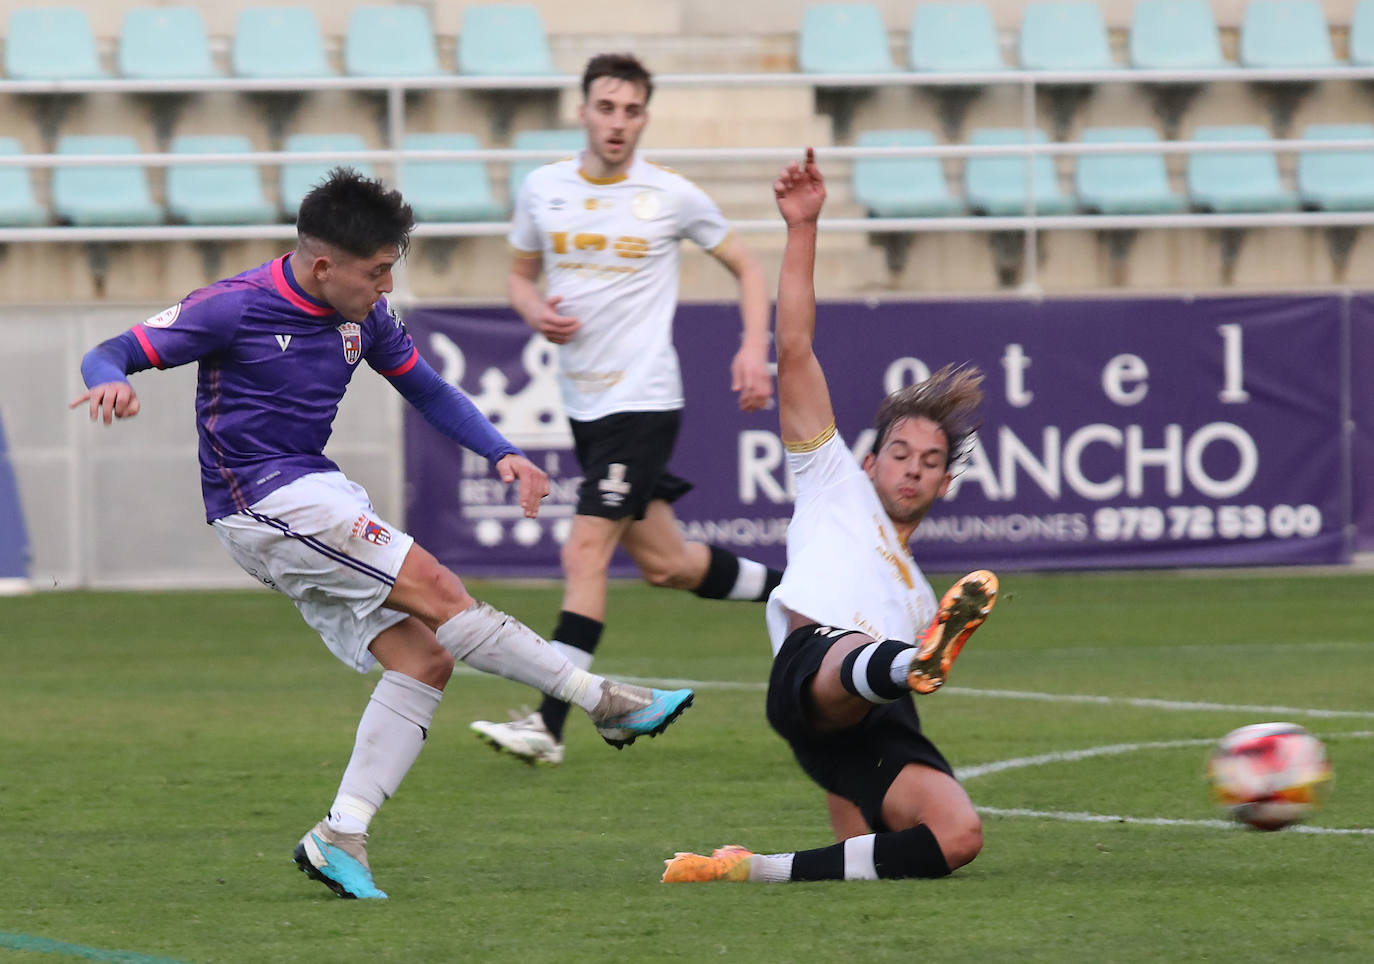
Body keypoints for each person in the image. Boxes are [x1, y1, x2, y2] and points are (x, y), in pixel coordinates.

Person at [70, 168, 693, 901]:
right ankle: (604, 703)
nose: (385, 287)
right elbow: (111, 350)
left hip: (311, 493)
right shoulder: (233, 306)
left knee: (425, 659)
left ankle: (341, 833)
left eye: (390, 271)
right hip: (266, 502)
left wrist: (504, 453)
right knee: (440, 589)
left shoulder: (363, 314)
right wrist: (114, 378)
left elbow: (425, 386)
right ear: (323, 265)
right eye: (376, 272)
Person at [661, 150, 998, 884]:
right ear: (870, 462)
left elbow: (845, 780)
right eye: (899, 451)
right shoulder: (830, 478)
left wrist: (854, 831)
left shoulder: (914, 594)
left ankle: (754, 870)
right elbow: (794, 347)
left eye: (929, 460)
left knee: (957, 836)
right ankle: (914, 664)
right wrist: (804, 227)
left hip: (866, 709)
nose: (911, 465)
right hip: (813, 664)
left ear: (942, 485)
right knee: (859, 656)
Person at [470, 52, 782, 766]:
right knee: (668, 564)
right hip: (587, 407)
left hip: (643, 401)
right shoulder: (543, 188)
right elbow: (520, 276)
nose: (618, 122)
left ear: (645, 116)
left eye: (631, 110)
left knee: (584, 551)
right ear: (581, 110)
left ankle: (549, 725)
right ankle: (808, 597)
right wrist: (533, 311)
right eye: (605, 107)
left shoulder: (668, 194)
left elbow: (748, 263)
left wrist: (752, 349)